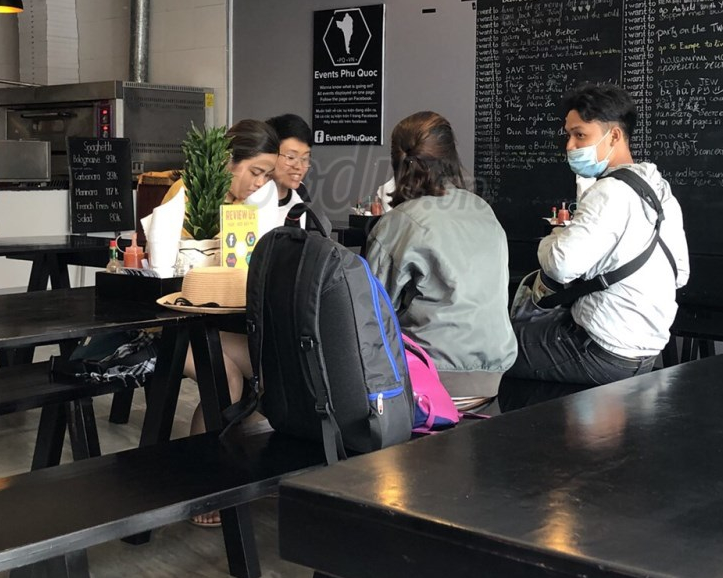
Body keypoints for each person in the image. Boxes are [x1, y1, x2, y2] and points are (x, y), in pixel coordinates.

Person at [498, 82, 690, 411]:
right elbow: (681, 274)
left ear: (614, 136)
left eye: (580, 135)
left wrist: (552, 238)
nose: (570, 146)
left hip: (600, 351)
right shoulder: (659, 190)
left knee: (488, 346)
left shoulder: (608, 192)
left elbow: (559, 264)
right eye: (568, 136)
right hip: (645, 353)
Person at [163, 119, 279, 525]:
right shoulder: (187, 195)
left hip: (217, 321)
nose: (259, 184)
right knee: (225, 377)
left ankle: (232, 468)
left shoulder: (242, 210)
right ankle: (202, 485)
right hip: (171, 321)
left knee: (271, 369)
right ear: (229, 160)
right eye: (256, 171)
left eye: (267, 177)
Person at [364, 112, 516, 406]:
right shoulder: (483, 210)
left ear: (397, 161)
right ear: (450, 156)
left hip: (428, 382)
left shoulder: (398, 223)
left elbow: (371, 314)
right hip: (492, 381)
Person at [265, 113, 329, 236]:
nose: (298, 166)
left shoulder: (301, 193)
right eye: (291, 157)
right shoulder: (251, 196)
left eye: (304, 158)